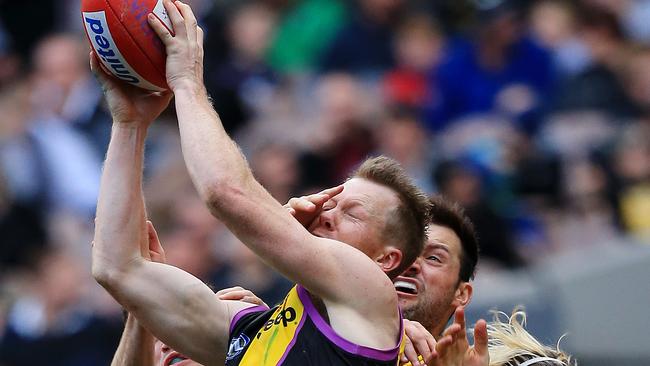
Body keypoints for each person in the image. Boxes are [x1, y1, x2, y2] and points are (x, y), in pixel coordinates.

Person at [91, 1, 430, 366]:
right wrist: (129, 125)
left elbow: (225, 193)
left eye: (353, 214)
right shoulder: (256, 328)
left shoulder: (371, 293)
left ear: (385, 260)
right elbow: (118, 268)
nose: (327, 212)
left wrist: (187, 81)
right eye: (331, 201)